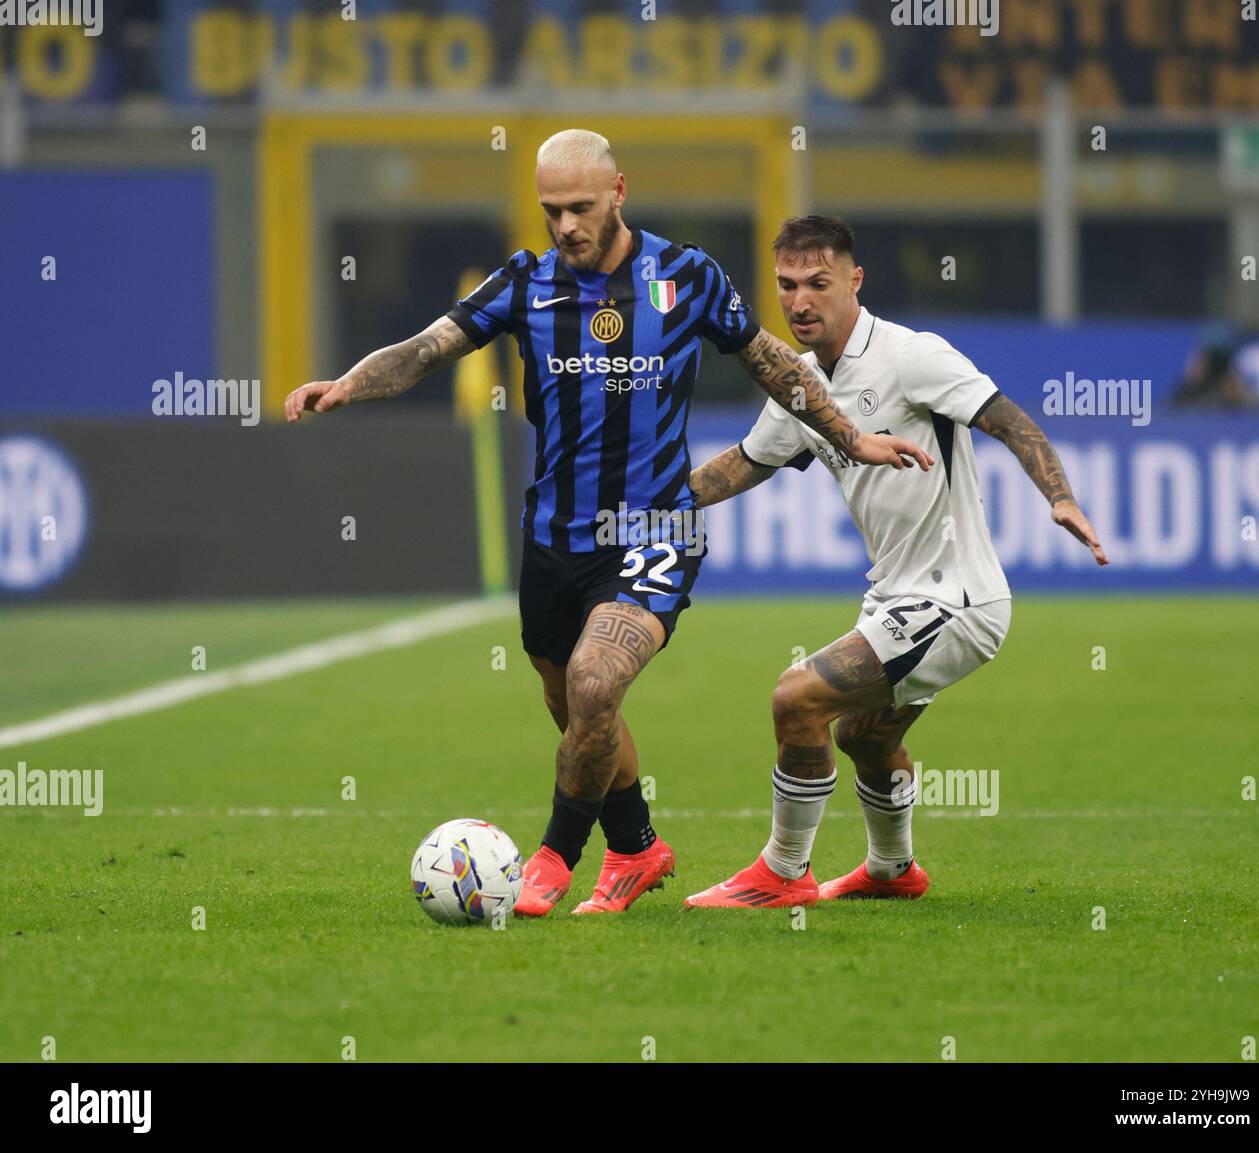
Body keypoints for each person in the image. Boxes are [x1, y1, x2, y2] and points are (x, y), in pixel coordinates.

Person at [285, 137, 931, 917]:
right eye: (551, 209)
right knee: (575, 708)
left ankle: (555, 857)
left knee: (595, 683)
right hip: (554, 536)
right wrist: (349, 385)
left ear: (618, 192)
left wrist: (849, 435)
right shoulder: (524, 281)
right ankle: (636, 846)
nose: (565, 225)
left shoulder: (686, 277)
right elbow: (431, 347)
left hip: (654, 527)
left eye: (580, 208)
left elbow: (773, 363)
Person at [683, 214, 1108, 909]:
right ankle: (893, 868)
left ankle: (783, 871)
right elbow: (743, 465)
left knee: (796, 699)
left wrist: (1060, 497)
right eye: (786, 285)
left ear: (854, 281)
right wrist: (645, 510)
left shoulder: (912, 356)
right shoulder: (797, 382)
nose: (799, 302)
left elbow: (1011, 421)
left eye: (818, 283)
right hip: (897, 596)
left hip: (955, 600)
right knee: (863, 735)